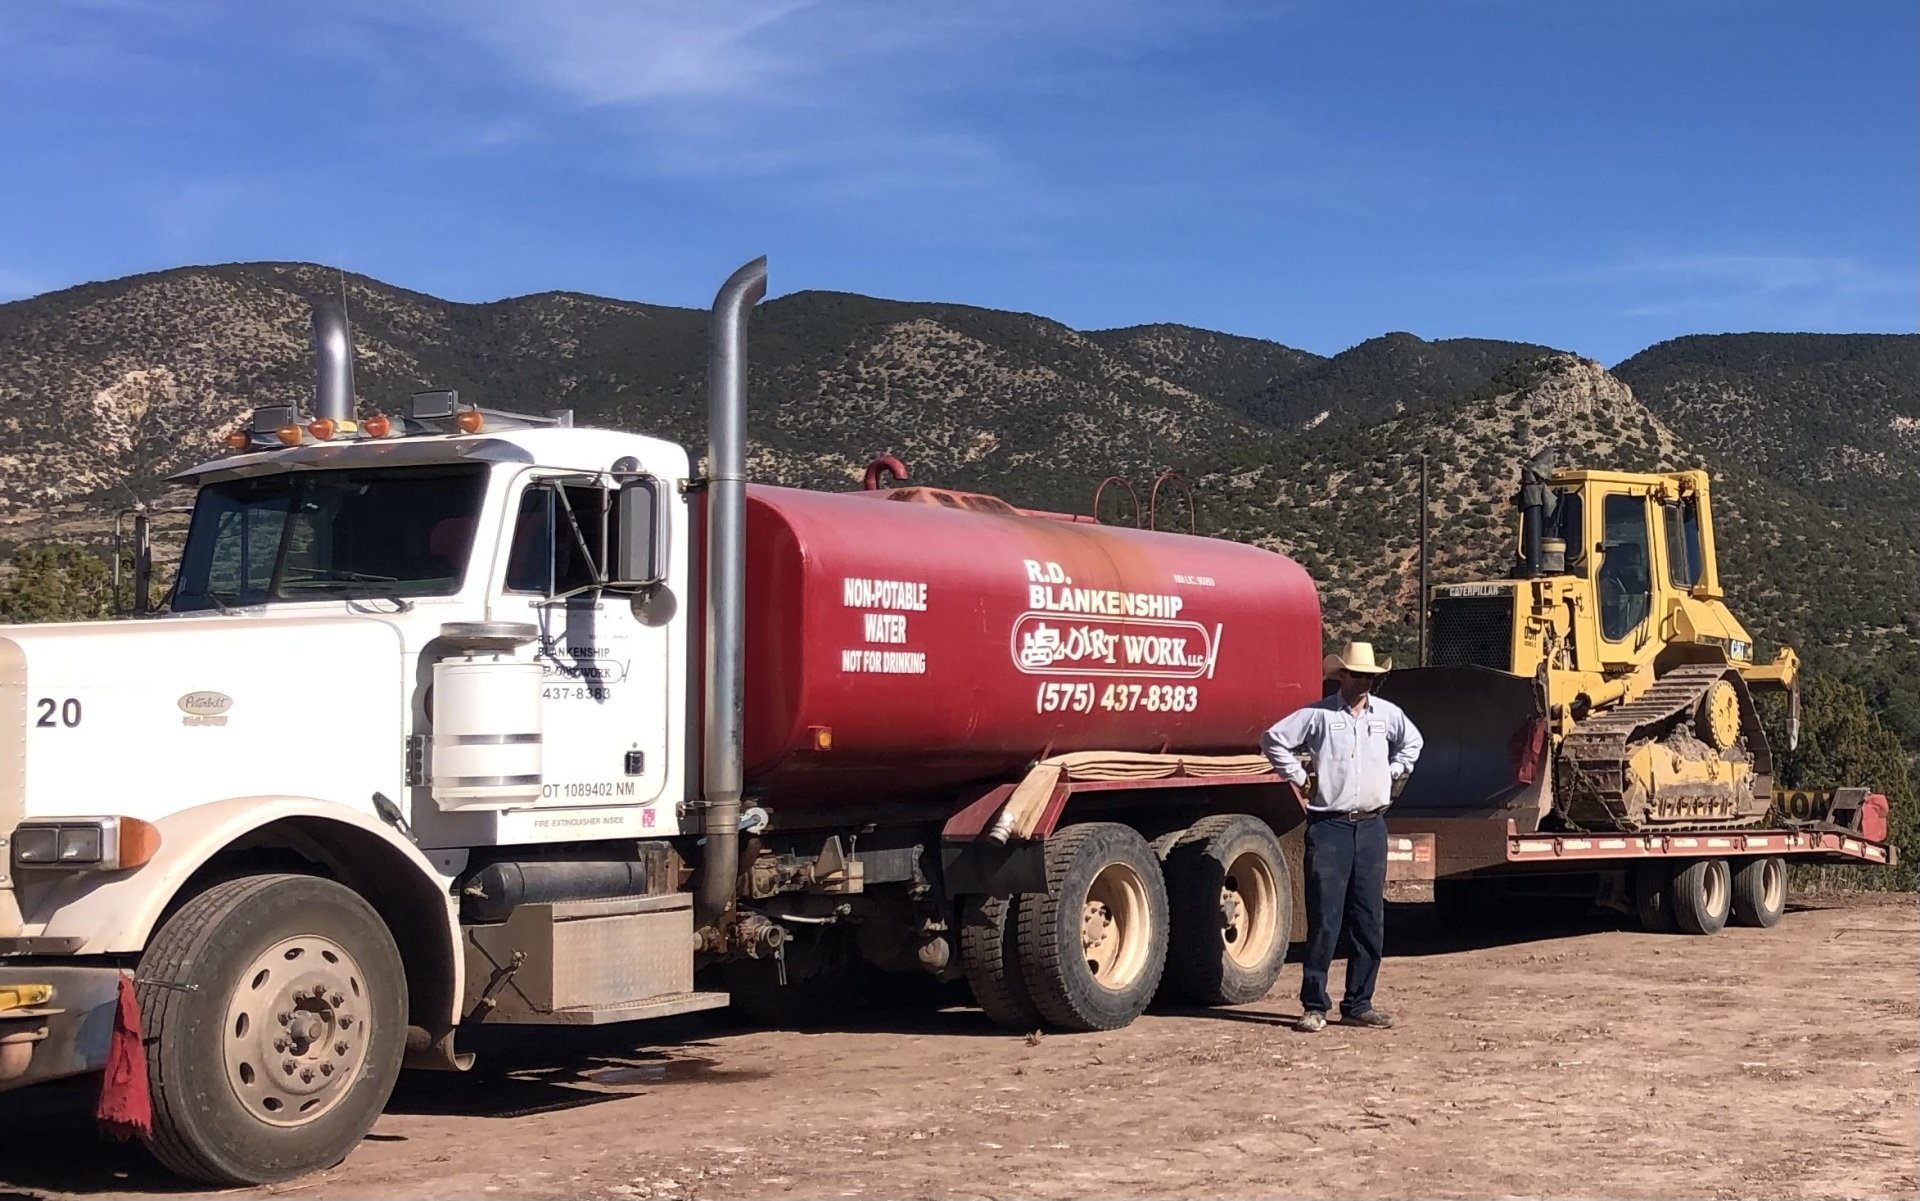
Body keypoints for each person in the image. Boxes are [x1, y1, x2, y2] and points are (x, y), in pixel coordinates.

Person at [1260, 641, 1422, 1032]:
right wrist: (1298, 777)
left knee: (1369, 919)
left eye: (1369, 676)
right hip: (1329, 826)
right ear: (1342, 676)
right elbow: (1272, 739)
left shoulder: (1388, 715)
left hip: (1370, 826)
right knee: (1326, 918)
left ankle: (1359, 1003)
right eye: (1357, 674)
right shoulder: (1317, 716)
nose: (1364, 681)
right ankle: (1315, 1004)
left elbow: (1413, 743)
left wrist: (1395, 770)